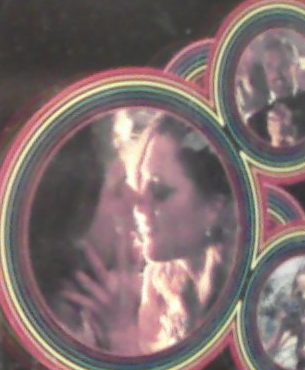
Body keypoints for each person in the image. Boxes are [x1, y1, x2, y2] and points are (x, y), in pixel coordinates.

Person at [72, 114, 235, 354]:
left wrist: (121, 335)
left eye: (159, 192)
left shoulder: (245, 289)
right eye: (136, 184)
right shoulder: (157, 282)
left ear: (214, 207)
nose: (139, 204)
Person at [28, 115, 141, 354]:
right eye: (118, 190)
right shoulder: (53, 342)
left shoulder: (92, 320)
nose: (136, 199)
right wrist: (123, 338)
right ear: (73, 219)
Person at [245, 32, 305, 145]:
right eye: (270, 67)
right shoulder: (255, 124)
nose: (277, 73)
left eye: (284, 65)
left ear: (296, 67)